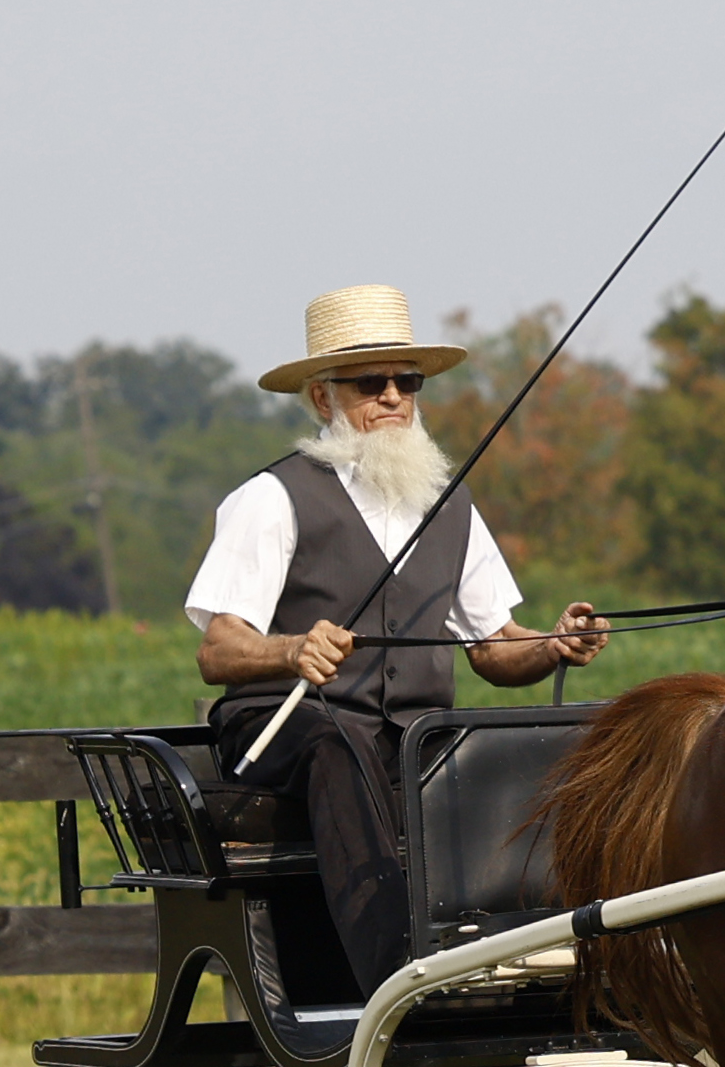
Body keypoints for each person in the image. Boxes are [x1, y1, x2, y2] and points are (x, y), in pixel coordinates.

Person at [185, 285, 609, 996]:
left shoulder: (450, 506)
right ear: (323, 399)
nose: (392, 398)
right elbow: (218, 649)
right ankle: (396, 972)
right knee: (336, 740)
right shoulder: (272, 498)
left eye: (406, 382)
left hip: (411, 735)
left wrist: (552, 645)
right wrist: (290, 651)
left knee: (523, 743)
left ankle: (545, 958)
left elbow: (493, 646)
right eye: (370, 383)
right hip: (282, 730)